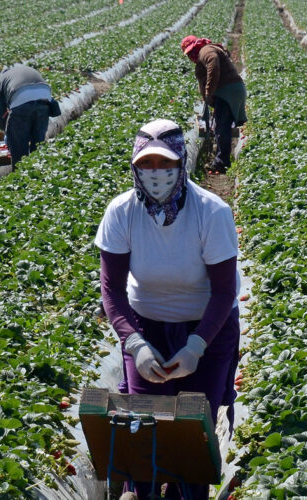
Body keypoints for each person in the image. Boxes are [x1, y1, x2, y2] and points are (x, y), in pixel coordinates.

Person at [95, 119, 241, 499]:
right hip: (147, 325)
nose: (156, 174)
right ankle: (139, 493)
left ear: (181, 162)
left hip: (207, 325)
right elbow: (111, 290)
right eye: (147, 165)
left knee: (192, 431)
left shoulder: (212, 212)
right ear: (135, 166)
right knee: (141, 427)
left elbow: (225, 292)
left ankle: (187, 494)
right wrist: (136, 345)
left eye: (165, 164)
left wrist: (196, 347)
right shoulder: (121, 212)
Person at [181, 35, 247, 174]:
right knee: (221, 126)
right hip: (228, 91)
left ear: (196, 46)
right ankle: (221, 160)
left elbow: (213, 64)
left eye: (191, 51)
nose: (190, 56)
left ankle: (221, 163)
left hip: (227, 91)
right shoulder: (205, 51)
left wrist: (209, 90)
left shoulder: (206, 51)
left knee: (222, 127)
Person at [0, 63, 60, 166]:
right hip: (44, 99)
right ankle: (38, 171)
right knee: (38, 142)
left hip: (21, 100)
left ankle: (20, 174)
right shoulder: (24, 71)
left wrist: (7, 132)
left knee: (19, 146)